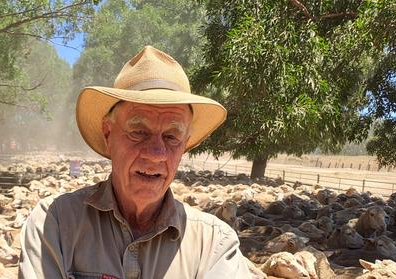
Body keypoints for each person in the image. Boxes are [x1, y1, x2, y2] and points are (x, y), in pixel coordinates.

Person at [19, 46, 251, 278]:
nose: (156, 154)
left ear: (184, 145)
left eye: (171, 137)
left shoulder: (214, 245)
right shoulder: (56, 223)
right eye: (139, 132)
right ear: (108, 134)